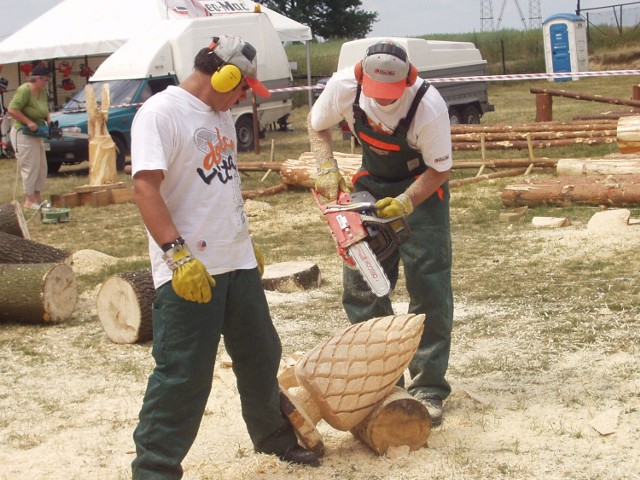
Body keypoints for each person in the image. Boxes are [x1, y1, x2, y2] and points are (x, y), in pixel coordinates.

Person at [130, 35, 320, 479]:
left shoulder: (223, 117)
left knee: (260, 354)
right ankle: (154, 469)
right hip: (190, 271)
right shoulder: (160, 114)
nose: (243, 96)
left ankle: (272, 437)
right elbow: (144, 189)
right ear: (225, 74)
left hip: (236, 263)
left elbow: (219, 184)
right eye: (242, 87)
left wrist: (242, 237)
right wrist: (177, 256)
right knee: (183, 375)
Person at [308, 40, 454, 427]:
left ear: (408, 79)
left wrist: (407, 201)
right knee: (362, 287)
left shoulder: (428, 105)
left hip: (422, 191)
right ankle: (382, 382)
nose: (385, 101)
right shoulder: (343, 86)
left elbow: (439, 169)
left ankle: (428, 388)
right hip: (369, 187)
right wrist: (325, 167)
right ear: (361, 75)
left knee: (429, 288)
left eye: (392, 95)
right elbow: (317, 125)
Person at [8, 64, 51, 209]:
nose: (46, 83)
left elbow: (44, 109)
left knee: (41, 166)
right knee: (30, 166)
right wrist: (29, 122)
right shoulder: (24, 90)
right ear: (37, 79)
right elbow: (12, 109)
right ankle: (29, 200)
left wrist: (49, 120)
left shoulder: (42, 92)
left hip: (37, 133)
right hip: (23, 133)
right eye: (45, 80)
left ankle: (38, 198)